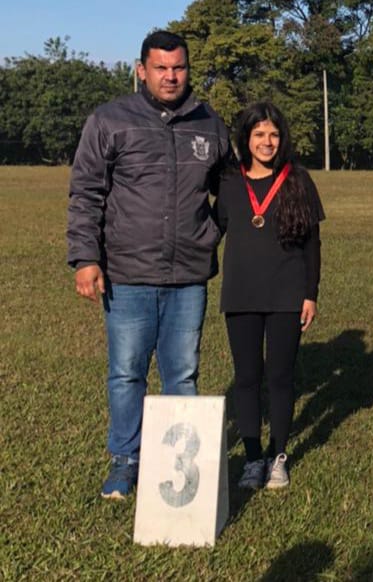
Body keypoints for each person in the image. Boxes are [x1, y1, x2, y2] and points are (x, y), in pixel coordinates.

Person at [67, 31, 231, 500]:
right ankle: (126, 459)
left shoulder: (209, 123)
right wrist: (85, 258)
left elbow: (231, 190)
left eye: (178, 67)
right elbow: (86, 193)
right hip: (127, 273)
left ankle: (179, 467)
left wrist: (211, 233)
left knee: (182, 373)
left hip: (188, 276)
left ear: (188, 69)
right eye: (161, 68)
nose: (170, 76)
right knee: (126, 372)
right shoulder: (109, 120)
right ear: (142, 70)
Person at [215, 102, 325, 490]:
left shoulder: (298, 179)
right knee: (247, 378)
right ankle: (252, 457)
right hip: (241, 293)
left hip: (286, 294)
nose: (267, 142)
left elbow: (312, 244)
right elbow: (212, 229)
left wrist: (310, 294)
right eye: (259, 134)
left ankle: (278, 456)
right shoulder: (229, 181)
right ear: (246, 138)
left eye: (274, 135)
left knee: (279, 377)